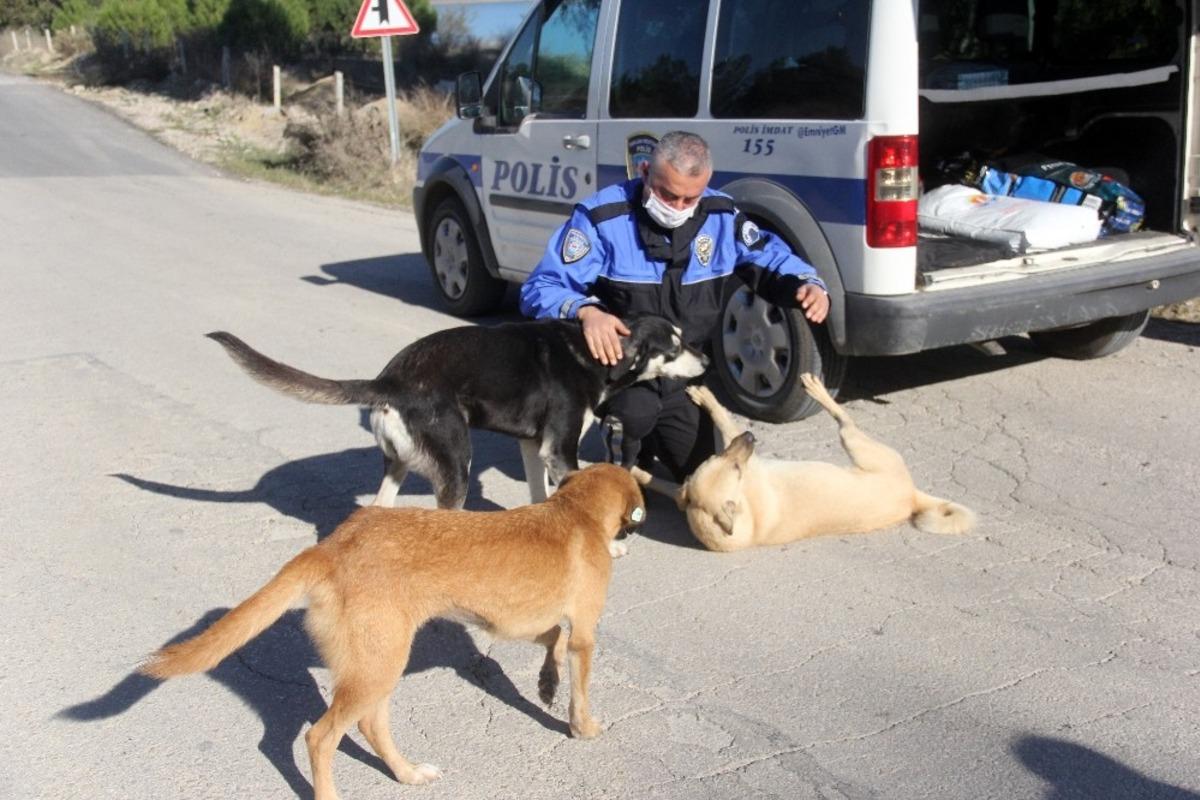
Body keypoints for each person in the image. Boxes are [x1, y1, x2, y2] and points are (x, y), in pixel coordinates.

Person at [519, 131, 829, 481]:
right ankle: (620, 465)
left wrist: (808, 284)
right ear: (645, 171)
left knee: (701, 476)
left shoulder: (721, 216)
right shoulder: (601, 219)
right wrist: (586, 312)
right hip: (625, 375)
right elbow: (540, 287)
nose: (677, 208)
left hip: (682, 369)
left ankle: (652, 443)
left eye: (689, 199)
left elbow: (769, 255)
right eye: (667, 194)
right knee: (635, 416)